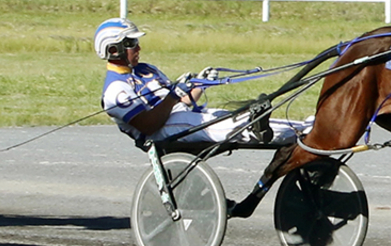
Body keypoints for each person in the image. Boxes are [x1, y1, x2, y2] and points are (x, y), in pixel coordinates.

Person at [94, 17, 307, 148]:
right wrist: (173, 95)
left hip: (180, 118)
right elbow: (149, 125)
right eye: (131, 43)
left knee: (228, 116)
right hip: (160, 133)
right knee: (227, 126)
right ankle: (299, 135)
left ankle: (306, 127)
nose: (138, 48)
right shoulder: (116, 89)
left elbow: (182, 102)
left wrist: (199, 86)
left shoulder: (146, 70)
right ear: (113, 49)